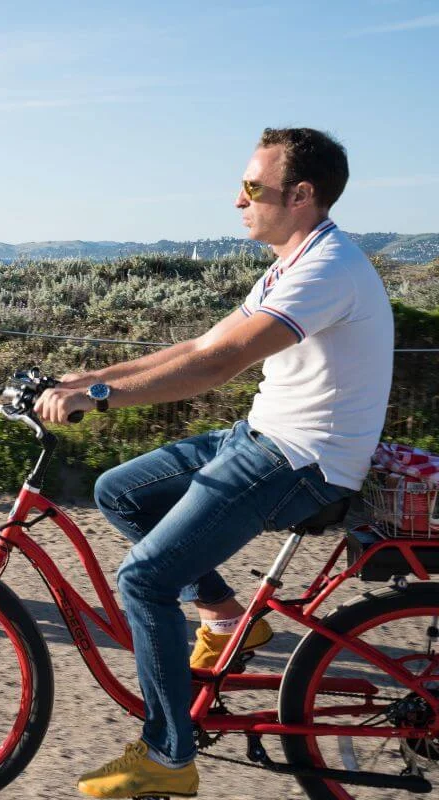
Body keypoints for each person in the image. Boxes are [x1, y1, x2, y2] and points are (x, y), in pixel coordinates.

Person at [32, 128, 393, 798]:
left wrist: (100, 398)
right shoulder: (293, 260)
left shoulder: (327, 269)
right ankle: (229, 617)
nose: (238, 200)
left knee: (142, 580)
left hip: (301, 461)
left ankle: (169, 759)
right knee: (121, 492)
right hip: (263, 436)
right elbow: (203, 341)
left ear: (303, 194)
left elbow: (222, 364)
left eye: (253, 187)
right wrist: (92, 374)